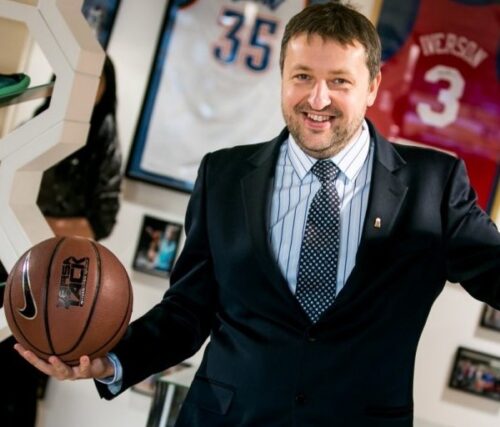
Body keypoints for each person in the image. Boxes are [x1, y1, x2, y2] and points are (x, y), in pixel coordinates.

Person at [14, 4, 500, 426]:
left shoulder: (432, 185)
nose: (317, 99)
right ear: (282, 75)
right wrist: (109, 361)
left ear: (372, 86)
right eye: (303, 76)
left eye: (339, 82)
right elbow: (188, 310)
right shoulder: (224, 175)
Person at [1, 55, 122, 427]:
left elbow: (99, 222)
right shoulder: (37, 123)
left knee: (19, 373)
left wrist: (35, 226)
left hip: (50, 282)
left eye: (94, 82)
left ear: (105, 90)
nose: (85, 90)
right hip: (6, 257)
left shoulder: (103, 139)